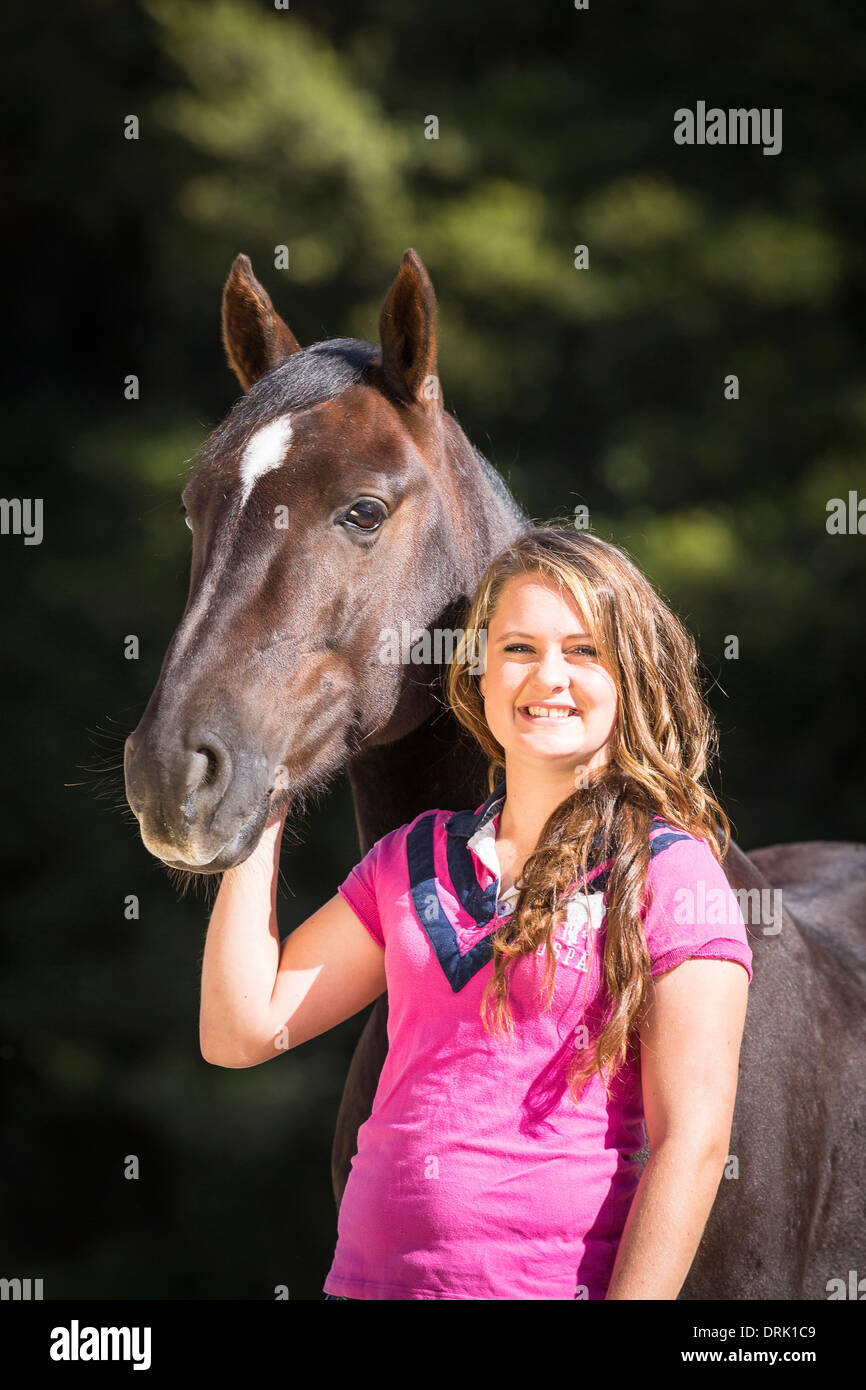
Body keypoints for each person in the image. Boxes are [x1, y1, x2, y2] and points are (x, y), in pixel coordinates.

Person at [199, 525, 753, 1300]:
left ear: (631, 678)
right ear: (480, 678)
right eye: (519, 648)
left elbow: (692, 1145)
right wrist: (261, 805)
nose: (547, 676)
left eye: (584, 650)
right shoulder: (409, 858)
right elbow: (241, 1030)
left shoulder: (671, 873)